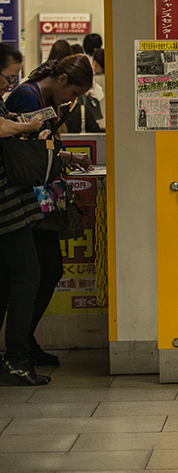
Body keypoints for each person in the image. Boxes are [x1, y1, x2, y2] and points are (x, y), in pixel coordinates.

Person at [3, 55, 95, 371]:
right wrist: (57, 155)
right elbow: (29, 152)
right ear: (62, 80)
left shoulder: (35, 97)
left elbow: (40, 147)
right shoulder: (27, 98)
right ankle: (20, 349)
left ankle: (24, 345)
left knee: (39, 272)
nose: (72, 100)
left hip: (33, 200)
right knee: (36, 273)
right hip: (24, 202)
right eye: (74, 93)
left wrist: (64, 156)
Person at [0, 44, 50, 385]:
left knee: (9, 282)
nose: (10, 85)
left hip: (10, 205)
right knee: (27, 277)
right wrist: (25, 127)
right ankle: (17, 359)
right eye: (8, 77)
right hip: (6, 210)